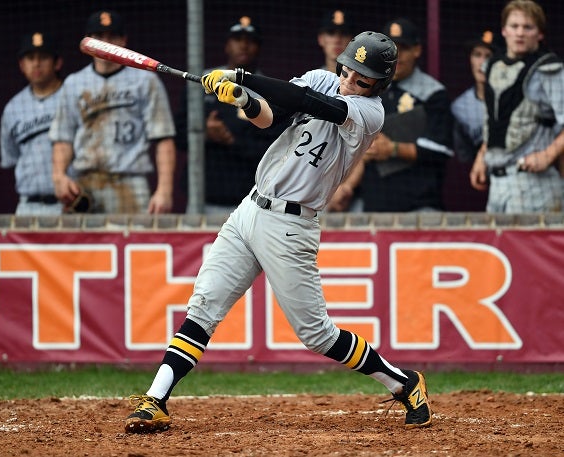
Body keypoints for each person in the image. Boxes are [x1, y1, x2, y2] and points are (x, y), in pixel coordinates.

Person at [123, 31, 432, 434]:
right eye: (349, 70)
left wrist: (240, 76)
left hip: (291, 225)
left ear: (379, 84)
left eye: (364, 78)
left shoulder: (369, 113)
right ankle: (156, 400)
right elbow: (270, 116)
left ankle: (404, 383)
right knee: (204, 305)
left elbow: (304, 102)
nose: (351, 80)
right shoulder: (321, 77)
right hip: (250, 208)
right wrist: (242, 98)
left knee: (317, 335)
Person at [49, 10, 177, 214]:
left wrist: (164, 190)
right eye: (99, 37)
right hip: (85, 183)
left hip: (130, 182)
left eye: (112, 36)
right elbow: (63, 138)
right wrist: (59, 175)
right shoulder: (74, 83)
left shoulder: (145, 80)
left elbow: (163, 138)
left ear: (123, 40)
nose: (106, 43)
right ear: (89, 42)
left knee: (132, 242)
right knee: (85, 246)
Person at [332, 17, 454, 212]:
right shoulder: (366, 87)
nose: (398, 56)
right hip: (371, 202)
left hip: (419, 205)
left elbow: (441, 149)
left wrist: (393, 149)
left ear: (417, 50)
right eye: (392, 51)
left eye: (403, 48)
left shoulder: (433, 93)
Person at [174, 16, 286, 214]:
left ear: (259, 47)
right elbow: (179, 137)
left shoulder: (270, 91)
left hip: (252, 199)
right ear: (226, 45)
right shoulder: (202, 82)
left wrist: (231, 139)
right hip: (203, 196)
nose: (243, 46)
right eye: (237, 39)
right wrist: (204, 134)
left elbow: (275, 148)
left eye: (250, 41)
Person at [470, 0, 564, 213]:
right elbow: (496, 120)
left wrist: (548, 155)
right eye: (514, 26)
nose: (520, 33)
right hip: (497, 183)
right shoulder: (493, 66)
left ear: (539, 34)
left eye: (528, 27)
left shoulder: (550, 69)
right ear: (504, 31)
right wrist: (481, 156)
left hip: (535, 184)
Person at [0, 32, 65, 215]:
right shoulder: (13, 108)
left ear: (57, 63)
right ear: (22, 65)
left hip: (70, 204)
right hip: (28, 206)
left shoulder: (73, 96)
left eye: (43, 57)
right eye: (30, 58)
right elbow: (12, 157)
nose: (36, 63)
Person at [443, 31, 496, 211]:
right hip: (473, 187)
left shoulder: (511, 99)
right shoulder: (460, 107)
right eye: (477, 55)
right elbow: (462, 158)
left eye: (488, 56)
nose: (482, 62)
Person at [317, 9, 356, 73]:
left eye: (344, 33)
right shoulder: (312, 81)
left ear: (353, 39)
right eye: (331, 33)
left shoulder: (364, 80)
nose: (337, 40)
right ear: (320, 39)